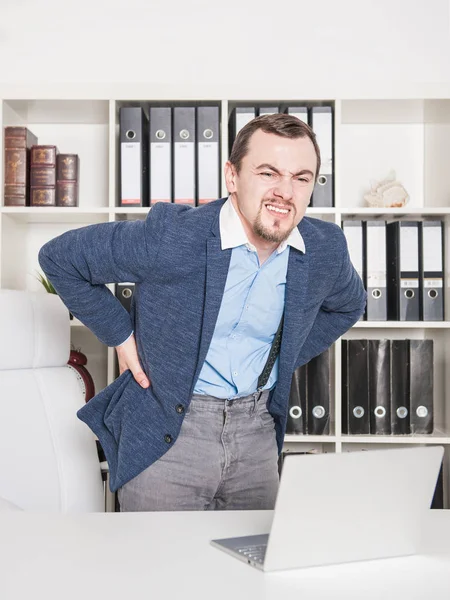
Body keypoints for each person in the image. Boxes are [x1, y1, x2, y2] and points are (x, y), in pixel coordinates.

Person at [38, 113, 366, 512]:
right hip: (170, 434)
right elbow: (59, 258)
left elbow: (349, 305)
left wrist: (284, 356)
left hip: (258, 433)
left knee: (250, 567)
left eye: (301, 178)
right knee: (159, 571)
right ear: (233, 177)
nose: (285, 191)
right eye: (268, 173)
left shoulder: (324, 248)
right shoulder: (174, 236)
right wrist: (120, 336)